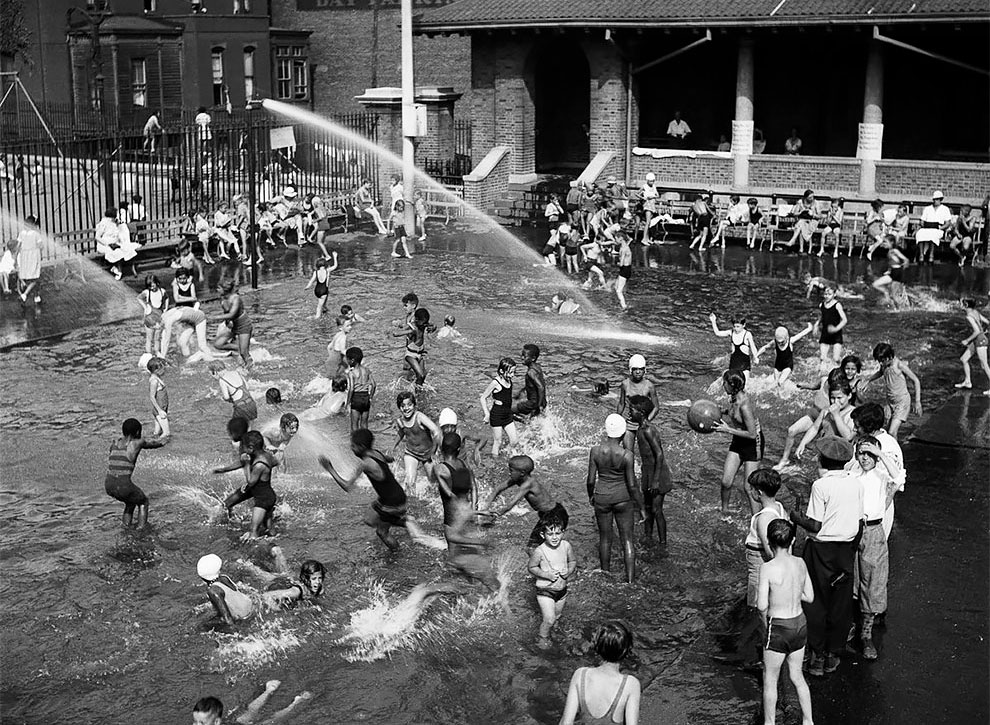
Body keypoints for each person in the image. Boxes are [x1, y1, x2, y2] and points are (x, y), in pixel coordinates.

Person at [789, 436, 863, 677]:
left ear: (822, 460)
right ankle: (833, 652)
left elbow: (816, 525)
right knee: (840, 603)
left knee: (816, 602)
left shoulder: (820, 486)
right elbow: (859, 520)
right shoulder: (856, 483)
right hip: (846, 548)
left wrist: (795, 517)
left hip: (821, 550)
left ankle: (816, 655)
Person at [319, 428, 432, 551]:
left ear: (361, 447)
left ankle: (402, 534)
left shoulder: (365, 464)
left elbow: (347, 486)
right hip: (395, 496)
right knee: (369, 519)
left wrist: (329, 468)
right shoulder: (376, 453)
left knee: (381, 532)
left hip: (391, 502)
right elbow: (389, 459)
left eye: (353, 446)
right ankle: (401, 525)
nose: (351, 449)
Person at [757, 519, 815, 725]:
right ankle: (808, 721)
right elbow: (809, 596)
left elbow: (762, 605)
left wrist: (765, 627)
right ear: (792, 541)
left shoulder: (767, 568)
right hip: (799, 623)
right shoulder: (800, 563)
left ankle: (769, 723)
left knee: (770, 679)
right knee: (797, 676)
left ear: (769, 543)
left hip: (779, 627)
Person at [852, 436, 897, 660]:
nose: (866, 458)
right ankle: (853, 625)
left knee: (873, 581)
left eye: (871, 454)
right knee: (853, 579)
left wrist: (880, 455)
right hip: (852, 529)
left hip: (873, 531)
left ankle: (866, 634)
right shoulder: (851, 475)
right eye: (862, 453)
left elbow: (898, 475)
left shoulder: (882, 475)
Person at [587, 414, 645, 583]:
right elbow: (633, 485)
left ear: (607, 431)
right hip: (623, 498)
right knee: (627, 539)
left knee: (605, 538)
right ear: (622, 433)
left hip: (602, 497)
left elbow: (590, 480)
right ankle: (629, 581)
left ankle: (605, 575)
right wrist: (641, 507)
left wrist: (592, 496)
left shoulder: (595, 451)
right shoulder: (627, 455)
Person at [559, 621, 642, 725]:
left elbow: (566, 722)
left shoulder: (581, 675)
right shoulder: (630, 684)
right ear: (626, 650)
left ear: (597, 646)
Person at [847, 402, 905, 540]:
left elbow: (892, 486)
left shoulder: (888, 447)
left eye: (857, 426)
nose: (854, 429)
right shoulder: (864, 441)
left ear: (868, 427)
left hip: (874, 517)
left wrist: (877, 517)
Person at [486, 454, 568, 547]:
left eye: (511, 471)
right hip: (549, 513)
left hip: (554, 515)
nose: (509, 473)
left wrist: (496, 514)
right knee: (541, 545)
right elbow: (497, 489)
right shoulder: (518, 479)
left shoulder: (528, 484)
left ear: (522, 473)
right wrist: (486, 507)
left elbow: (511, 504)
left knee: (532, 547)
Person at [714, 370, 763, 515]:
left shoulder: (745, 405)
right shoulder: (733, 398)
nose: (722, 385)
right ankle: (725, 511)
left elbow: (752, 434)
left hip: (752, 444)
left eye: (724, 382)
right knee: (726, 481)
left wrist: (728, 430)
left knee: (749, 488)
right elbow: (733, 413)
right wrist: (720, 411)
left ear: (732, 385)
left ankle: (757, 520)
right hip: (738, 440)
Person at [105, 418, 167, 528]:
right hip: (123, 486)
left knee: (130, 501)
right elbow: (153, 444)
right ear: (138, 432)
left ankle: (126, 527)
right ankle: (141, 530)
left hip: (109, 485)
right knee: (143, 501)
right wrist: (165, 441)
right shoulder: (137, 443)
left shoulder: (114, 442)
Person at [628, 396, 673, 547]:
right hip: (648, 472)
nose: (629, 412)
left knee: (656, 509)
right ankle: (648, 536)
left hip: (658, 474)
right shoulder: (640, 429)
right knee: (647, 507)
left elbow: (659, 454)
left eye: (632, 410)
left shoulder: (648, 430)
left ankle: (662, 542)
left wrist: (655, 480)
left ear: (641, 413)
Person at [528, 511, 576, 648]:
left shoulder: (566, 546)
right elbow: (531, 567)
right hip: (545, 591)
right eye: (550, 534)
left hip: (562, 591)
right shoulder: (540, 551)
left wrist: (569, 571)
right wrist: (546, 575)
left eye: (558, 533)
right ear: (543, 535)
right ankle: (542, 638)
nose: (555, 537)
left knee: (557, 617)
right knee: (549, 619)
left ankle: (553, 633)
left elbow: (572, 561)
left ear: (563, 532)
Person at [866, 343, 922, 438]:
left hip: (902, 402)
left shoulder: (899, 365)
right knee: (887, 431)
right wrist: (868, 380)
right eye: (879, 361)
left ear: (889, 357)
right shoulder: (884, 365)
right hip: (890, 402)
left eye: (882, 361)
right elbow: (881, 373)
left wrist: (917, 401)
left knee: (892, 432)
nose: (880, 363)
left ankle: (895, 452)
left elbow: (916, 380)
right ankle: (890, 449)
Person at [392, 391, 440, 497]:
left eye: (409, 405)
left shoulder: (419, 417)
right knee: (409, 482)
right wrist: (393, 446)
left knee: (434, 484)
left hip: (427, 454)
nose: (406, 408)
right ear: (399, 408)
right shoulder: (400, 421)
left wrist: (433, 451)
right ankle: (411, 502)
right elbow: (401, 432)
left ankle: (434, 499)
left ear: (414, 405)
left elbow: (436, 431)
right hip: (411, 453)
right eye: (402, 406)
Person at [794, 378, 856, 459]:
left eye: (839, 398)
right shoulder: (826, 410)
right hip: (825, 450)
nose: (835, 402)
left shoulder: (853, 413)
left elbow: (848, 436)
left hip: (841, 455)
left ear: (849, 396)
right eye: (832, 398)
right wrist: (802, 444)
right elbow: (815, 428)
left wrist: (836, 415)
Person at [616, 354, 658, 451]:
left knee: (646, 453)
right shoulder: (625, 384)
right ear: (631, 370)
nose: (638, 372)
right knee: (628, 453)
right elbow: (622, 403)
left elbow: (656, 407)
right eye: (635, 369)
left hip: (643, 424)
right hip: (629, 424)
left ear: (644, 370)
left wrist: (647, 421)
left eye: (641, 369)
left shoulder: (650, 386)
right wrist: (617, 418)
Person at [197, 554, 255, 625]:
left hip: (243, 617)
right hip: (250, 606)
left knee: (203, 625)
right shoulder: (224, 577)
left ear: (201, 577)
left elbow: (227, 619)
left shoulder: (213, 591)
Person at [480, 357, 519, 457]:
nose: (512, 375)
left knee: (514, 440)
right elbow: (483, 398)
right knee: (498, 441)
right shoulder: (495, 383)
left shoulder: (509, 381)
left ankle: (508, 454)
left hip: (507, 414)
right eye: (510, 372)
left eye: (514, 372)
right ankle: (495, 461)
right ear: (501, 371)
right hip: (497, 415)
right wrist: (486, 413)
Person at [214, 281, 253, 369]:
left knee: (244, 353)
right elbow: (226, 313)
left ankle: (251, 369)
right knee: (218, 344)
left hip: (244, 325)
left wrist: (214, 317)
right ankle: (240, 348)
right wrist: (227, 323)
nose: (217, 290)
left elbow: (232, 314)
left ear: (225, 290)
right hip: (233, 326)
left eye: (219, 288)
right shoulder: (222, 299)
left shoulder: (236, 298)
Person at [955, 299, 990, 394]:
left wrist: (967, 340)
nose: (959, 305)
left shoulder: (969, 316)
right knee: (963, 359)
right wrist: (986, 331)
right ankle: (967, 382)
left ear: (965, 305)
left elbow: (977, 331)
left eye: (961, 303)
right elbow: (987, 322)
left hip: (980, 342)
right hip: (978, 340)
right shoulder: (975, 312)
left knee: (984, 365)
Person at [710, 314, 759, 378]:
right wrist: (713, 321)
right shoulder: (731, 332)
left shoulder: (747, 334)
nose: (736, 329)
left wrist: (755, 357)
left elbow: (753, 347)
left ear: (744, 325)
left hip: (744, 363)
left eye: (738, 326)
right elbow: (718, 333)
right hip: (733, 363)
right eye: (734, 326)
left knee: (745, 384)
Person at [814, 282, 847, 370]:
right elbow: (821, 316)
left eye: (829, 294)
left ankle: (841, 368)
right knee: (822, 358)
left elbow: (844, 320)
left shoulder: (837, 305)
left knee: (836, 359)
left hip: (836, 334)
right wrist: (816, 324)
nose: (826, 296)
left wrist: (836, 329)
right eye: (825, 294)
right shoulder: (822, 305)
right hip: (825, 333)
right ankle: (822, 373)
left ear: (834, 294)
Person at [915, 190, 953, 264]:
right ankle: (921, 255)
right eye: (934, 199)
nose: (936, 201)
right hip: (927, 227)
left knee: (933, 235)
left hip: (938, 228)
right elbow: (922, 220)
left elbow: (948, 223)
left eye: (937, 199)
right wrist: (923, 224)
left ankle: (931, 255)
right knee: (920, 233)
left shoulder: (945, 209)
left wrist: (941, 228)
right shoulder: (927, 208)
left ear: (941, 200)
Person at [345, 346, 376, 431]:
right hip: (365, 398)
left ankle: (355, 442)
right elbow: (373, 385)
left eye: (347, 359)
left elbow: (351, 389)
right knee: (364, 424)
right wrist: (370, 397)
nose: (346, 361)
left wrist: (348, 402)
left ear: (352, 360)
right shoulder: (367, 370)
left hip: (356, 398)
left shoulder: (351, 373)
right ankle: (365, 441)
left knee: (354, 425)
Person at [780, 189, 820, 255]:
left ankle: (793, 241)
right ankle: (801, 249)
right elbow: (794, 213)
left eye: (813, 197)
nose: (812, 199)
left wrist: (813, 214)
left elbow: (820, 216)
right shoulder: (800, 202)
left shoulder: (816, 203)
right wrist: (801, 212)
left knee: (800, 224)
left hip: (813, 221)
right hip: (803, 220)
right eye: (810, 197)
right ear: (805, 197)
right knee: (801, 224)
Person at [512, 343, 547, 418]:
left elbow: (541, 387)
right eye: (521, 355)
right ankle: (527, 421)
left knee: (506, 411)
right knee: (534, 422)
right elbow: (534, 384)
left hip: (532, 404)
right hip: (539, 402)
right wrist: (521, 391)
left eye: (524, 356)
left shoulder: (530, 372)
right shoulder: (537, 368)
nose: (522, 358)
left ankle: (523, 420)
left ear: (533, 358)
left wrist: (538, 406)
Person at [15, 215, 43, 304]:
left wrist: (15, 258)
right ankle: (25, 295)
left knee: (31, 278)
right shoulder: (36, 234)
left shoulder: (21, 233)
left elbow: (18, 247)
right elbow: (41, 246)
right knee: (35, 278)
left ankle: (36, 296)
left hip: (24, 258)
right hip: (34, 257)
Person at [138, 274, 169, 355]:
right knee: (149, 338)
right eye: (150, 287)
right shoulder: (147, 292)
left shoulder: (162, 291)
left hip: (159, 317)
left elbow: (167, 298)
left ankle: (157, 352)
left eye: (153, 285)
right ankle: (148, 354)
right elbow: (138, 298)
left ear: (157, 283)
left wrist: (166, 308)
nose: (152, 288)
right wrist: (145, 307)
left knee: (157, 338)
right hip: (149, 317)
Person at [304, 253, 338, 319]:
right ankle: (316, 317)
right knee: (319, 306)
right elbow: (335, 266)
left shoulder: (316, 272)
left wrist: (307, 287)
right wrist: (335, 257)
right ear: (325, 264)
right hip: (323, 291)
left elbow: (311, 281)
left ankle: (325, 310)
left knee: (323, 303)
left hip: (317, 290)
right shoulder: (327, 270)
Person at [146, 356, 170, 437]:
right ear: (156, 370)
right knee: (166, 433)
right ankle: (160, 445)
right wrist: (159, 411)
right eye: (163, 368)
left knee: (157, 433)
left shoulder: (157, 377)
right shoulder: (154, 381)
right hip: (160, 410)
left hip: (162, 408)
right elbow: (152, 397)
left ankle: (152, 441)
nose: (165, 370)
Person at [614, 233, 633, 310]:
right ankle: (622, 302)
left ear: (620, 238)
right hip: (627, 269)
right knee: (616, 286)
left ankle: (624, 306)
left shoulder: (623, 249)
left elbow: (621, 264)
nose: (615, 240)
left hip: (624, 269)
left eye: (616, 238)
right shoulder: (625, 246)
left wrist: (617, 263)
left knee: (618, 291)